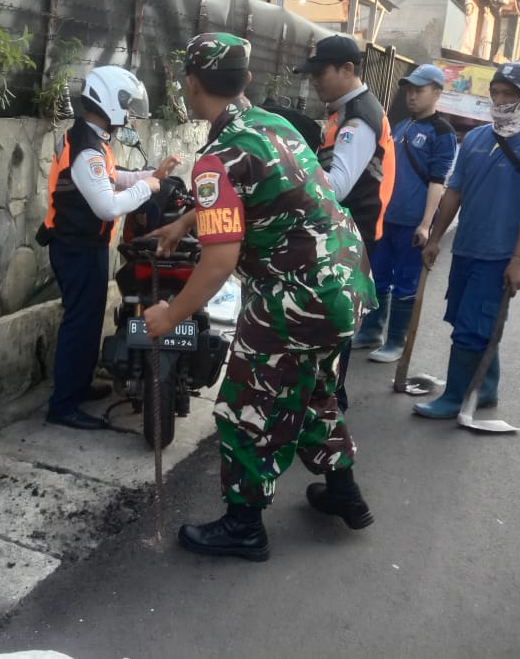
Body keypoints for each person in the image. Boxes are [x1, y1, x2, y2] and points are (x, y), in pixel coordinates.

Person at [143, 33, 376, 561]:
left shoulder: (215, 160)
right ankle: (343, 492)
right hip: (345, 284)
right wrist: (186, 221)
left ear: (191, 84)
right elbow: (264, 193)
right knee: (313, 391)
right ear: (247, 81)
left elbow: (220, 261)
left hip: (294, 299)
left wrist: (170, 314)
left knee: (246, 407)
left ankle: (244, 525)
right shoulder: (273, 126)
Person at [36, 66, 180, 430]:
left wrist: (151, 177)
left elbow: (112, 177)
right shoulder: (87, 150)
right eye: (126, 105)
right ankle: (63, 406)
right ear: (110, 102)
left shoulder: (90, 139)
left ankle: (78, 387)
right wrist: (146, 189)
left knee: (86, 324)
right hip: (76, 248)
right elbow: (108, 205)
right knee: (79, 325)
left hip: (83, 246)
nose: (129, 113)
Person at [414, 63, 520, 418]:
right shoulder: (477, 138)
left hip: (498, 256)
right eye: (495, 92)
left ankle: (454, 398)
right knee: (471, 321)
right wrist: (435, 238)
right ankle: (487, 386)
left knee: (471, 329)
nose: (500, 99)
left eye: (509, 93)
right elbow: (454, 191)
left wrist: (519, 259)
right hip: (465, 247)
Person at [295, 35, 394, 412]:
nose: (315, 81)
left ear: (348, 69)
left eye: (321, 73)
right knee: (332, 318)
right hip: (342, 232)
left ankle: (331, 406)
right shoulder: (345, 112)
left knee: (337, 322)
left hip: (352, 235)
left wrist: (293, 175)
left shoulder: (360, 118)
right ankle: (325, 402)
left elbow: (336, 185)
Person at [352, 64, 457, 362]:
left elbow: (439, 181)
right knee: (379, 277)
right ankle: (373, 330)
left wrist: (426, 224)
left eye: (419, 91)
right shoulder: (400, 126)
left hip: (414, 222)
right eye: (409, 90)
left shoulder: (442, 132)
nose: (411, 96)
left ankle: (396, 341)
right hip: (388, 218)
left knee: (406, 283)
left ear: (437, 93)